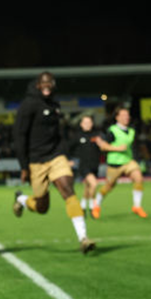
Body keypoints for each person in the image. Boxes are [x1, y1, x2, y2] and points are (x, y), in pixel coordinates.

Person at [11, 72, 94, 253]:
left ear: (53, 85)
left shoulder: (55, 105)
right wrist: (24, 166)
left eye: (50, 84)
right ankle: (22, 199)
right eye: (43, 84)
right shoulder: (29, 105)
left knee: (68, 190)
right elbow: (19, 136)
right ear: (38, 85)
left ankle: (83, 238)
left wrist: (64, 153)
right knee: (42, 207)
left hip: (56, 156)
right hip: (35, 161)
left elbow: (58, 134)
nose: (47, 86)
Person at [92, 106, 148, 218]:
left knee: (138, 177)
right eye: (123, 115)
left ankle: (137, 206)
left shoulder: (132, 131)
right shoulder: (112, 131)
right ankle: (96, 205)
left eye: (127, 115)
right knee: (109, 186)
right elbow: (103, 146)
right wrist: (117, 149)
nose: (126, 117)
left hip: (128, 161)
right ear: (117, 117)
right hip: (115, 163)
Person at [68, 115, 101, 216]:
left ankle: (82, 206)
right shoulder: (77, 136)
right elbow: (68, 148)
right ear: (81, 124)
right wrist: (69, 160)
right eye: (85, 122)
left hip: (95, 165)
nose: (87, 124)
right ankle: (92, 206)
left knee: (88, 187)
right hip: (83, 166)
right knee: (94, 184)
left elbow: (103, 147)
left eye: (89, 122)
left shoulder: (96, 135)